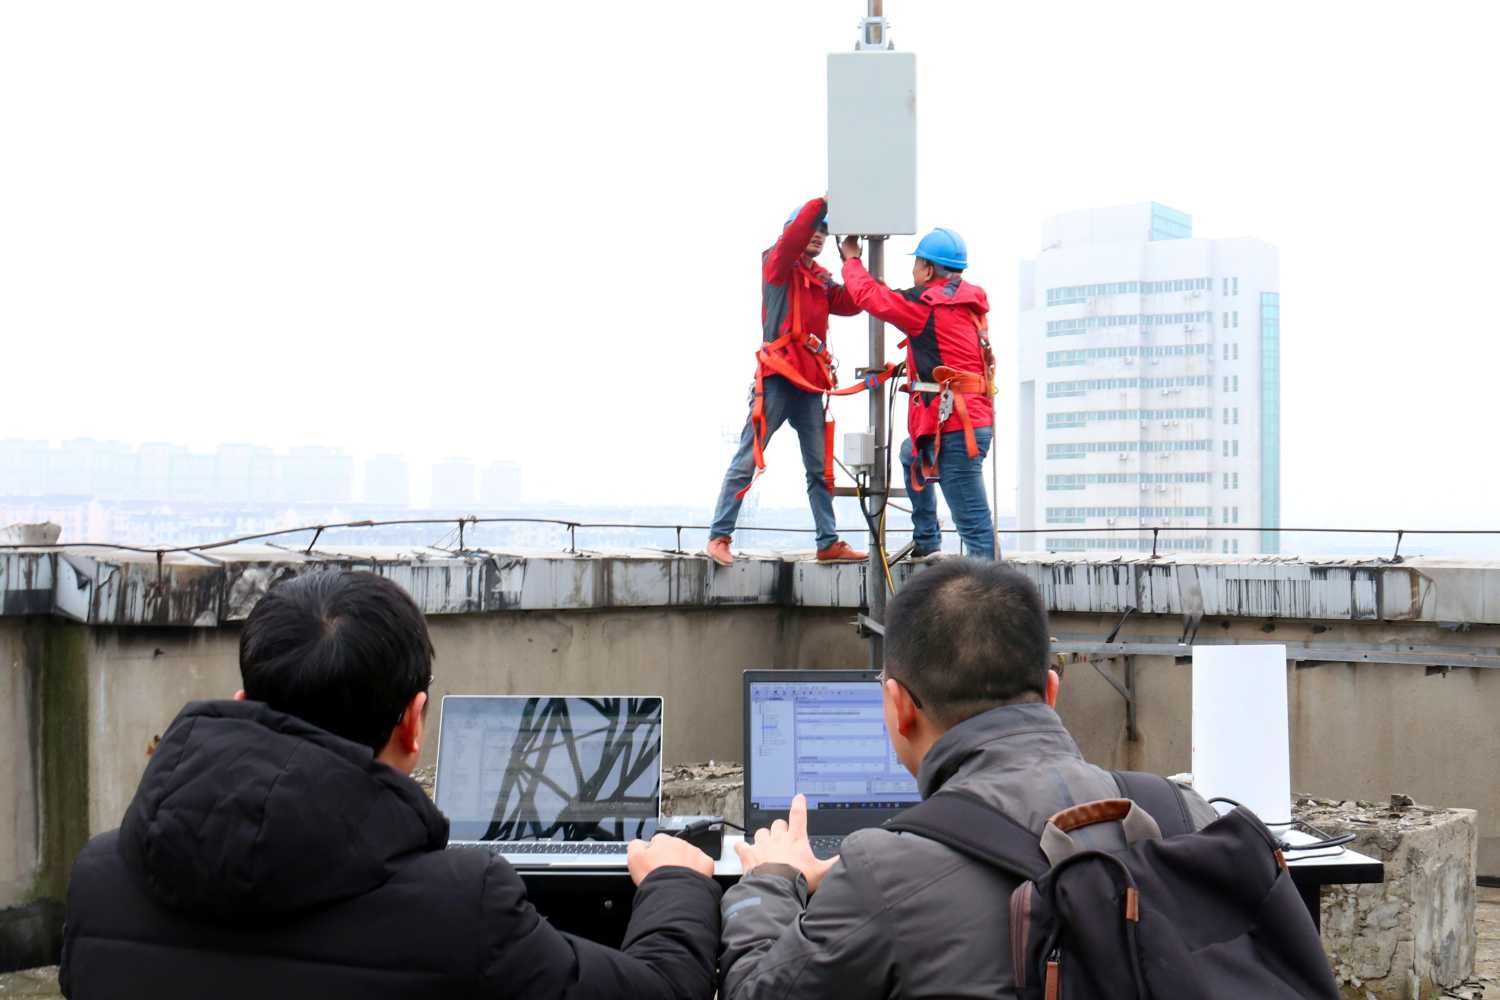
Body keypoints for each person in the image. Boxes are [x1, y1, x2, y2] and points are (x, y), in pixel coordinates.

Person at [61, 570, 722, 1000]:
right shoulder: (464, 908)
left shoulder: (100, 880)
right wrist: (677, 884)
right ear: (413, 722)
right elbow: (662, 991)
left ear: (242, 702)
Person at [717, 559, 1218, 997]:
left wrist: (771, 880)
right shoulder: (1185, 815)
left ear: (899, 707)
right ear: (1051, 692)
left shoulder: (885, 872)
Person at [706, 196, 867, 567]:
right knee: (748, 458)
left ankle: (828, 541)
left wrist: (853, 261)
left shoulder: (820, 279)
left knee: (819, 470)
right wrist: (826, 201)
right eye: (813, 228)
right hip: (778, 377)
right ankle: (719, 535)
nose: (818, 235)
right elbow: (792, 239)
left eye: (824, 231)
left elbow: (852, 301)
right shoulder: (776, 263)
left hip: (808, 384)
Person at [839, 228, 997, 559]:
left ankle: (993, 590)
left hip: (956, 427)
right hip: (969, 419)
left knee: (974, 526)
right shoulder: (965, 304)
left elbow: (870, 297)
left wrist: (852, 259)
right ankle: (926, 539)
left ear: (927, 269)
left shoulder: (925, 306)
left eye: (916, 265)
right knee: (910, 454)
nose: (913, 271)